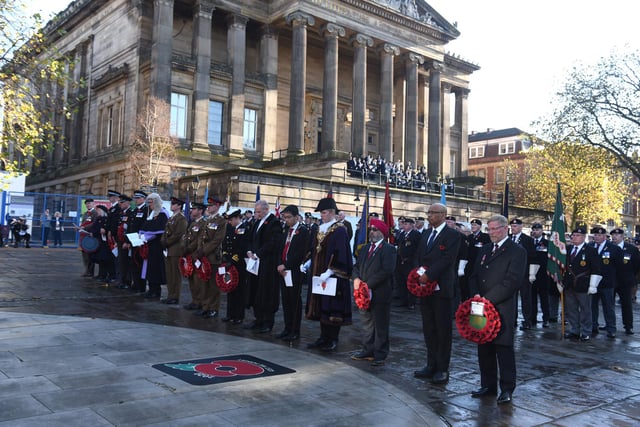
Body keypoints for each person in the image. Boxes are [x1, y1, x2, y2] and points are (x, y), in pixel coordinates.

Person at [468, 214, 526, 405]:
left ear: (505, 228)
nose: (491, 233)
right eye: (489, 229)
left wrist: (488, 299)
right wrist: (476, 295)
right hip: (481, 306)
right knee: (483, 346)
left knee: (503, 349)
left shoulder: (517, 251)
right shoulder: (485, 249)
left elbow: (512, 281)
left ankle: (507, 388)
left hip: (501, 306)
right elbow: (474, 274)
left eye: (494, 229)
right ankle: (488, 385)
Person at [412, 202, 461, 385]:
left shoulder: (452, 235)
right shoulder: (426, 233)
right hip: (425, 289)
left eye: (433, 213)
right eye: (429, 212)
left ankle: (442, 368)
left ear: (443, 214)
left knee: (442, 330)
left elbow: (447, 260)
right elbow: (419, 255)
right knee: (429, 328)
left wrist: (429, 275)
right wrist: (418, 274)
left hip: (442, 288)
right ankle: (430, 364)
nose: (429, 215)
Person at [306, 197, 353, 352]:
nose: (322, 215)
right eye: (321, 213)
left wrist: (331, 270)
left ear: (332, 212)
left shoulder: (339, 230)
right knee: (321, 305)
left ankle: (333, 338)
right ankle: (323, 337)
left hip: (333, 276)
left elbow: (341, 253)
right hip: (319, 273)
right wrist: (308, 263)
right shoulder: (320, 229)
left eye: (324, 212)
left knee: (332, 307)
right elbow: (315, 250)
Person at [351, 218, 397, 366]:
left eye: (375, 230)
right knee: (366, 323)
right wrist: (356, 279)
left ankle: (380, 353)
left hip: (379, 292)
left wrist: (368, 284)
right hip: (363, 292)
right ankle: (368, 349)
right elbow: (356, 266)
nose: (372, 232)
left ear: (382, 233)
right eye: (371, 230)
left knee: (380, 324)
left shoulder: (388, 249)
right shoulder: (364, 248)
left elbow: (386, 270)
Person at [244, 199, 282, 332]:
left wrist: (258, 254)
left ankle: (267, 322)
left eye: (259, 211)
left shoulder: (274, 222)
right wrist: (249, 251)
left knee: (266, 292)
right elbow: (250, 238)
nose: (257, 214)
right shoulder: (256, 223)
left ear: (266, 210)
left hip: (267, 264)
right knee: (255, 291)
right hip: (254, 264)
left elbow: (273, 243)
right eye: (256, 211)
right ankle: (258, 318)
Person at [275, 205, 310, 341]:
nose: (287, 220)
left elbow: (300, 253)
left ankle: (295, 330)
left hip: (294, 270)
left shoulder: (303, 232)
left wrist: (286, 265)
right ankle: (287, 327)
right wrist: (279, 264)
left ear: (296, 217)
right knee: (285, 300)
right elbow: (280, 248)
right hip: (283, 270)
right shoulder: (286, 230)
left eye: (289, 217)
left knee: (294, 301)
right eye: (285, 217)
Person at [562, 226, 602, 341]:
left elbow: (596, 269)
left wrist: (593, 285)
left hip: (583, 284)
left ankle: (586, 331)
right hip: (569, 284)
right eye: (573, 235)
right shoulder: (568, 249)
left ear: (584, 237)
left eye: (578, 235)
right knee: (571, 309)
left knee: (585, 310)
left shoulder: (591, 251)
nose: (574, 237)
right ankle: (574, 329)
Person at [195, 196, 227, 318]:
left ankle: (213, 308)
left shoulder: (221, 221)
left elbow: (217, 240)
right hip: (203, 256)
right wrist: (199, 250)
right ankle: (205, 306)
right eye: (208, 206)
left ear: (218, 206)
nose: (209, 207)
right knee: (204, 282)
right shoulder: (207, 220)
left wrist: (204, 251)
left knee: (214, 284)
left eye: (211, 205)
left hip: (213, 256)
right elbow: (201, 237)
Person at [590, 226, 622, 338]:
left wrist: (616, 282)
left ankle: (611, 328)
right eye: (595, 235)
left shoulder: (614, 249)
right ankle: (593, 326)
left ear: (605, 237)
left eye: (599, 235)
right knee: (592, 306)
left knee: (608, 307)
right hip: (592, 283)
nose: (597, 237)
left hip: (607, 283)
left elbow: (619, 267)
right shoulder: (589, 246)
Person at [509, 218, 539, 330]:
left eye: (515, 226)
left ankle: (527, 320)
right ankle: (513, 319)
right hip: (511, 273)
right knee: (512, 297)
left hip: (524, 272)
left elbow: (532, 256)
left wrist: (532, 273)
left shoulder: (527, 240)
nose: (513, 228)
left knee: (526, 298)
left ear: (521, 227)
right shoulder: (508, 238)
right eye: (512, 226)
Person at [138, 193, 168, 299]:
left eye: (151, 202)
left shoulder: (162, 213)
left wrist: (147, 236)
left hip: (157, 246)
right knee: (149, 269)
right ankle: (151, 289)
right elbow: (146, 226)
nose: (150, 205)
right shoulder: (151, 214)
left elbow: (159, 230)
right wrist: (142, 235)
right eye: (149, 202)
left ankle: (156, 291)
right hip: (149, 246)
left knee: (155, 269)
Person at [610, 228, 639, 335]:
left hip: (625, 282)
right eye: (613, 235)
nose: (614, 237)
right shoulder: (609, 247)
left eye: (617, 235)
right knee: (609, 304)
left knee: (626, 305)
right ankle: (610, 325)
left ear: (622, 236)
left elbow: (636, 266)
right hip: (611, 281)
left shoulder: (631, 249)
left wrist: (631, 277)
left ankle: (628, 326)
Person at [222, 209, 249, 324]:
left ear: (237, 218)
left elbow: (241, 248)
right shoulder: (231, 229)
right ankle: (230, 314)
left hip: (238, 264)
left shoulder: (243, 230)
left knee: (239, 290)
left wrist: (232, 260)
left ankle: (238, 315)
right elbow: (226, 244)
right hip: (229, 262)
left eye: (232, 220)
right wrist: (225, 256)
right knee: (230, 288)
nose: (230, 222)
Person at [160, 197, 188, 305]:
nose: (172, 205)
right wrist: (163, 240)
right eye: (172, 203)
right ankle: (170, 294)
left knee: (175, 274)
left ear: (179, 206)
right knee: (169, 273)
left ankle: (175, 296)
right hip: (168, 249)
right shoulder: (172, 217)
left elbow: (178, 234)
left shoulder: (181, 219)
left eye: (174, 204)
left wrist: (167, 242)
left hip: (175, 249)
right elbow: (165, 231)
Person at [183, 202, 206, 311]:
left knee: (198, 280)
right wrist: (184, 248)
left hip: (196, 254)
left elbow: (198, 240)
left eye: (194, 209)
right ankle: (194, 300)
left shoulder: (203, 223)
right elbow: (187, 237)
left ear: (200, 211)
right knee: (191, 278)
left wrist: (188, 248)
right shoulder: (192, 223)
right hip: (189, 255)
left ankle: (200, 301)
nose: (191, 210)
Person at [394, 217, 421, 309]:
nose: (404, 226)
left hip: (410, 261)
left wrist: (415, 261)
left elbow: (418, 248)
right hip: (400, 261)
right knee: (401, 282)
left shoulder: (416, 234)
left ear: (411, 225)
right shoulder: (402, 234)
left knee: (410, 282)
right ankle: (403, 300)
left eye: (406, 224)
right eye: (404, 224)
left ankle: (411, 302)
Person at [128, 191, 149, 293]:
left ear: (143, 199)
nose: (136, 200)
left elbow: (145, 226)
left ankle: (141, 285)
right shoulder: (135, 210)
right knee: (133, 263)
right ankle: (135, 283)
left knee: (140, 263)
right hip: (133, 240)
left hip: (141, 241)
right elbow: (131, 226)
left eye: (138, 198)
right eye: (135, 198)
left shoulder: (146, 210)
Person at [464, 219, 490, 301]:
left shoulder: (485, 237)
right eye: (472, 225)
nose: (473, 227)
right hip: (469, 265)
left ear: (480, 227)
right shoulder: (469, 237)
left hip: (479, 264)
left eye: (475, 225)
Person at [530, 222, 551, 327]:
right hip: (531, 274)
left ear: (542, 231)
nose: (535, 232)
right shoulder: (529, 242)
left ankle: (546, 318)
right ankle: (532, 318)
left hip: (543, 274)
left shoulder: (547, 243)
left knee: (544, 298)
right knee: (532, 298)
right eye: (534, 230)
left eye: (537, 230)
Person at [79, 199, 98, 276]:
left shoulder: (95, 213)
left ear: (93, 204)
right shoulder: (85, 213)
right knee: (84, 255)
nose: (88, 205)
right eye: (86, 204)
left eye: (89, 203)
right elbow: (83, 222)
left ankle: (90, 271)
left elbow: (94, 223)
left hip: (90, 236)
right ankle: (86, 270)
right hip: (83, 236)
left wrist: (84, 227)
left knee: (89, 254)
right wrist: (79, 227)